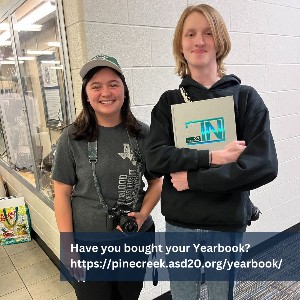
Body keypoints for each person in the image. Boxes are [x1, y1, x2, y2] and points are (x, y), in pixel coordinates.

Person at [145, 4, 278, 300]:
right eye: (190, 34)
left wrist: (192, 180)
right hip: (180, 223)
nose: (199, 41)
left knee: (220, 297)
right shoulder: (168, 103)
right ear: (181, 44)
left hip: (225, 222)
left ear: (220, 40)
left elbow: (264, 164)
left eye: (208, 33)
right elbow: (155, 159)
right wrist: (212, 158)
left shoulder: (245, 98)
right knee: (183, 297)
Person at [52, 54, 162, 300]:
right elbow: (61, 193)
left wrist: (143, 214)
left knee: (128, 296)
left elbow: (156, 183)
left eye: (113, 84)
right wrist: (68, 245)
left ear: (124, 91)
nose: (106, 92)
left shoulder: (143, 134)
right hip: (88, 244)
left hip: (134, 240)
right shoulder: (72, 137)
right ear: (87, 95)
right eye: (96, 86)